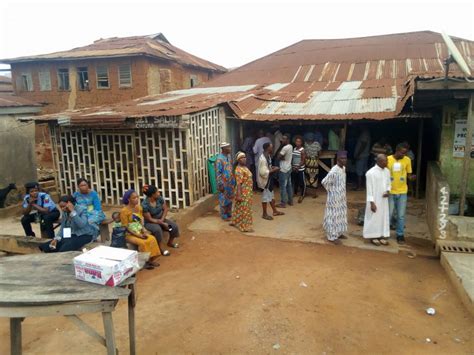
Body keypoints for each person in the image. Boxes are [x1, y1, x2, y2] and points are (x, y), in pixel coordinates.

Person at [120, 189, 161, 269]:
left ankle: (151, 260)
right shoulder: (124, 211)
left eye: (137, 197)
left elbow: (140, 221)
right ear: (128, 199)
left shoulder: (139, 208)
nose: (136, 199)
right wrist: (138, 235)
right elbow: (126, 227)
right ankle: (144, 262)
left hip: (139, 231)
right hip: (129, 234)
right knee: (142, 243)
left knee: (152, 239)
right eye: (134, 198)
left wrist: (143, 231)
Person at [387, 143, 416, 244]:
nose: (403, 155)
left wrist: (411, 178)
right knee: (389, 214)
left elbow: (409, 175)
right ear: (397, 150)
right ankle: (385, 233)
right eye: (402, 152)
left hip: (402, 191)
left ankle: (400, 235)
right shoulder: (388, 159)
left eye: (405, 153)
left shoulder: (407, 160)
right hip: (390, 191)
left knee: (401, 215)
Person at [142, 184, 180, 255]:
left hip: (161, 219)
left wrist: (162, 220)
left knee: (173, 227)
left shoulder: (159, 199)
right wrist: (162, 223)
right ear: (152, 195)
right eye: (157, 192)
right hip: (151, 223)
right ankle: (160, 248)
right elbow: (149, 219)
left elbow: (165, 209)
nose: (159, 193)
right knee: (158, 230)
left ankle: (170, 242)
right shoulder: (145, 205)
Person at [363, 154, 391, 246]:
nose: (387, 162)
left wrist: (388, 191)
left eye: (387, 161)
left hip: (384, 200)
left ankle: (381, 235)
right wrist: (372, 203)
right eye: (385, 161)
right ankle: (373, 236)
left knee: (382, 217)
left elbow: (388, 183)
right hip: (374, 200)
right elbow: (369, 189)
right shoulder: (370, 173)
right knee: (374, 217)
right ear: (378, 161)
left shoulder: (387, 171)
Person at [322, 151, 348, 245]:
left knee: (341, 215)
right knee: (333, 216)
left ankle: (339, 232)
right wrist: (331, 191)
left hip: (341, 196)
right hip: (334, 198)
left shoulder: (343, 168)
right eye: (342, 158)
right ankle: (332, 236)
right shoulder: (334, 170)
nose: (344, 160)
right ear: (338, 159)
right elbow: (324, 182)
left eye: (345, 158)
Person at [258, 142, 284, 220]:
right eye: (271, 147)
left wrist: (272, 167)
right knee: (265, 197)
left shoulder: (267, 156)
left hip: (269, 179)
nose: (272, 148)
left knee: (271, 196)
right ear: (267, 148)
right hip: (266, 181)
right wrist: (274, 169)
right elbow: (263, 172)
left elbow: (267, 167)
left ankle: (275, 211)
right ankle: (264, 214)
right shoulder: (262, 159)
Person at [231, 152, 254, 232]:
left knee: (238, 207)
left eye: (244, 157)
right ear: (238, 160)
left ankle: (235, 221)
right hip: (243, 192)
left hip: (247, 191)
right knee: (245, 209)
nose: (244, 159)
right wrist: (239, 195)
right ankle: (244, 226)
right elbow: (239, 183)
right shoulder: (239, 170)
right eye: (241, 158)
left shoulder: (244, 167)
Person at [215, 142, 236, 221]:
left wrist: (233, 180)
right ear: (223, 149)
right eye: (228, 147)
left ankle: (229, 213)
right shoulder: (219, 159)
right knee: (223, 199)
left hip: (230, 182)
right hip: (223, 183)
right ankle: (224, 215)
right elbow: (218, 173)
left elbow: (231, 168)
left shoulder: (229, 156)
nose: (230, 149)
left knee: (230, 198)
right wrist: (220, 184)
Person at [277, 134, 293, 208]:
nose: (282, 140)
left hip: (283, 169)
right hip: (289, 167)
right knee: (289, 185)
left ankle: (283, 203)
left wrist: (280, 146)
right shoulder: (291, 146)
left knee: (283, 186)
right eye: (282, 138)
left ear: (288, 140)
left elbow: (278, 156)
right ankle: (290, 201)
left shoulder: (285, 148)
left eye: (284, 139)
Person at [291, 136, 306, 203]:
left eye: (299, 141)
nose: (298, 143)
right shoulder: (294, 149)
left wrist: (298, 166)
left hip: (300, 169)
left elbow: (303, 160)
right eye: (297, 141)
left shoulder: (302, 150)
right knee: (295, 181)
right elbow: (293, 158)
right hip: (294, 168)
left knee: (302, 182)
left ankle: (302, 195)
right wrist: (293, 166)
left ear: (301, 142)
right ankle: (295, 192)